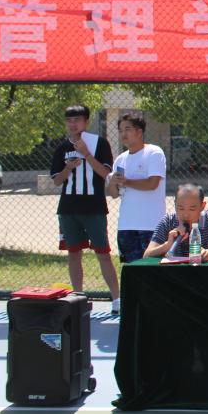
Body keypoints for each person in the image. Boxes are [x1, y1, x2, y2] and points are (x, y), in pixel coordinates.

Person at [50, 104, 121, 314]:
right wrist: (68, 168)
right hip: (68, 209)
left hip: (94, 208)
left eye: (77, 120)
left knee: (103, 254)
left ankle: (116, 299)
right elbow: (57, 181)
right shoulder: (62, 148)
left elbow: (105, 174)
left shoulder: (100, 143)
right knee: (73, 253)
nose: (73, 124)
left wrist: (86, 154)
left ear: (86, 121)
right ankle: (78, 298)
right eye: (69, 120)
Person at [107, 113, 167, 264]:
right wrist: (112, 183)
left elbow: (152, 184)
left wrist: (127, 181)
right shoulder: (120, 159)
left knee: (152, 270)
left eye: (127, 129)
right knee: (131, 269)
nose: (123, 134)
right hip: (126, 225)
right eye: (120, 130)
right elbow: (114, 194)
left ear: (139, 132)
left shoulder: (154, 152)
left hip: (151, 225)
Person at [144, 183, 208, 260]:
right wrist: (167, 245)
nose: (186, 215)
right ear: (175, 204)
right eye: (181, 208)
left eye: (192, 209)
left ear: (202, 206)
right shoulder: (168, 221)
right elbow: (146, 255)